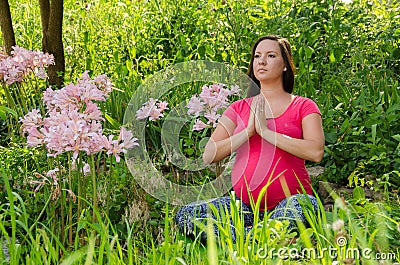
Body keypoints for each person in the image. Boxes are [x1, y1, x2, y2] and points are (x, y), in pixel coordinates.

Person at [175, 35, 325, 242]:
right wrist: (247, 132)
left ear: (285, 65)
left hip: (291, 202)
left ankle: (241, 237)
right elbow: (209, 154)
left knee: (304, 207)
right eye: (257, 56)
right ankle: (257, 236)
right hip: (244, 209)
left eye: (271, 56)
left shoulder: (303, 106)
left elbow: (315, 152)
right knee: (186, 215)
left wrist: (266, 132)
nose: (261, 61)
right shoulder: (238, 108)